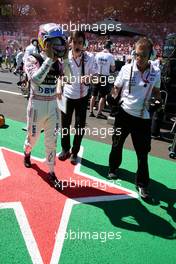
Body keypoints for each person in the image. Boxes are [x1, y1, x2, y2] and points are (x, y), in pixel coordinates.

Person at [108, 37, 161, 199]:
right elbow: (116, 88)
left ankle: (142, 184)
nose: (139, 58)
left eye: (143, 55)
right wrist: (112, 99)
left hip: (143, 118)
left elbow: (156, 93)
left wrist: (157, 102)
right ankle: (113, 168)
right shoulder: (126, 69)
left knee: (143, 153)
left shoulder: (156, 72)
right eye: (137, 54)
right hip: (124, 114)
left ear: (150, 55)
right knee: (116, 144)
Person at [23, 23, 67, 189]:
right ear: (44, 42)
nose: (57, 46)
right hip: (36, 106)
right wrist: (49, 59)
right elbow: (35, 79)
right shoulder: (32, 58)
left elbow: (68, 77)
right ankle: (27, 153)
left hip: (53, 106)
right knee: (32, 139)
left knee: (51, 142)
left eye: (59, 42)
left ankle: (51, 171)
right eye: (53, 42)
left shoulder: (58, 62)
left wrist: (67, 58)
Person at [57, 30, 98, 165]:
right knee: (65, 125)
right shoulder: (64, 57)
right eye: (75, 42)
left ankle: (75, 152)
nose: (77, 45)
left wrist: (90, 78)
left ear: (84, 43)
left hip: (82, 97)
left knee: (79, 126)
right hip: (66, 96)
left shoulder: (90, 58)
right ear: (70, 42)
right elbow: (60, 76)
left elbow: (96, 77)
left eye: (80, 43)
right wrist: (58, 88)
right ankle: (65, 149)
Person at [89, 40, 115, 119]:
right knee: (102, 96)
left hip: (97, 75)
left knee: (93, 94)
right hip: (104, 76)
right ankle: (99, 113)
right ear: (110, 47)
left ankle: (91, 112)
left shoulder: (97, 54)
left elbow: (94, 65)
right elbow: (113, 69)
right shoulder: (110, 56)